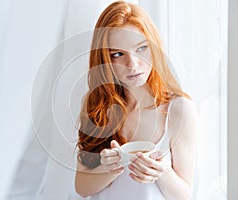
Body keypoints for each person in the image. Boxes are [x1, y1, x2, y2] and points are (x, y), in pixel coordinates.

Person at [75, 1, 198, 200]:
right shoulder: (95, 104)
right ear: (105, 60)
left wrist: (161, 172)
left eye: (141, 48)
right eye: (118, 54)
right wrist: (110, 170)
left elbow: (184, 195)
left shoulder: (179, 110)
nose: (132, 64)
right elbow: (81, 187)